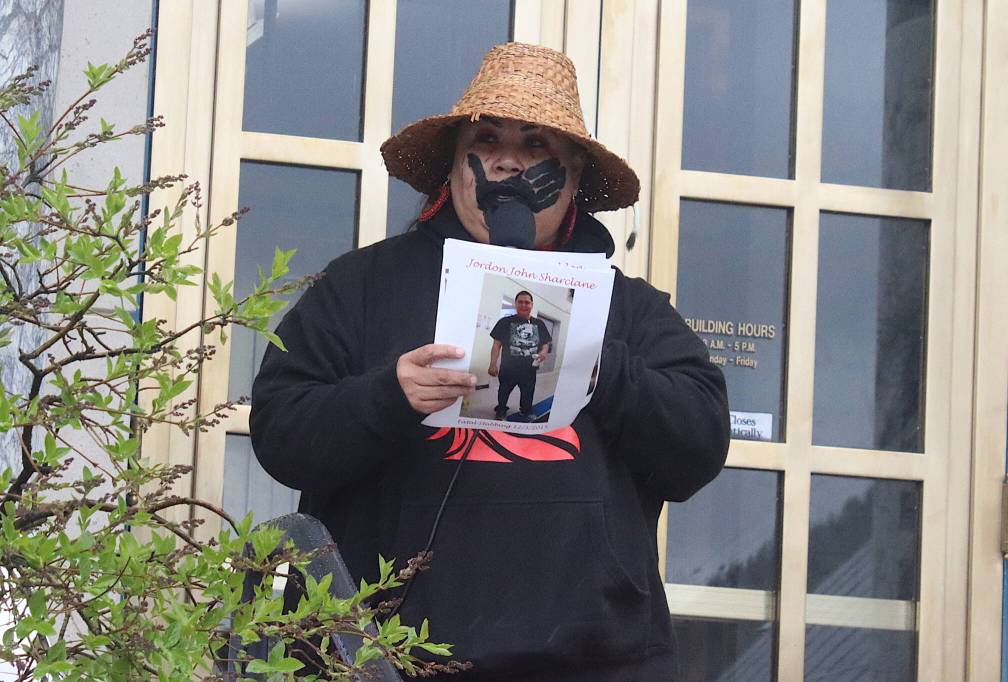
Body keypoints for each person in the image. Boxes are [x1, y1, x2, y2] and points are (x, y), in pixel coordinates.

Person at [250, 42, 729, 681]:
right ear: (452, 165)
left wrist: (606, 368)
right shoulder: (363, 286)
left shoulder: (629, 308)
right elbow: (281, 432)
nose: (509, 161)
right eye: (488, 138)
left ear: (576, 176)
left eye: (537, 146)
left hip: (592, 662)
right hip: (378, 657)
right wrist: (385, 397)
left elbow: (699, 448)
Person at [488, 290, 551, 421]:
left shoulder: (539, 324)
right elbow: (496, 345)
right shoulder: (504, 322)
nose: (523, 305)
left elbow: (546, 343)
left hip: (530, 368)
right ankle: (501, 411)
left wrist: (544, 352)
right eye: (520, 302)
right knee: (503, 391)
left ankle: (526, 411)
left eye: (527, 302)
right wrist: (492, 364)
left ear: (532, 304)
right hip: (508, 368)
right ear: (515, 304)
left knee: (528, 393)